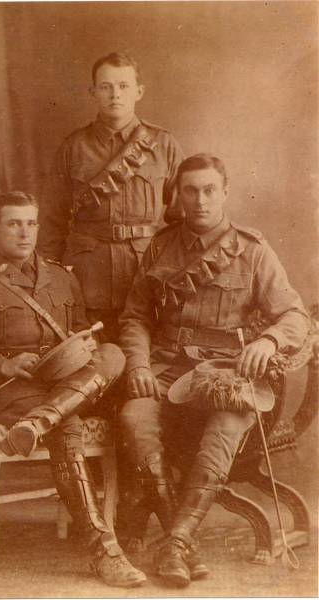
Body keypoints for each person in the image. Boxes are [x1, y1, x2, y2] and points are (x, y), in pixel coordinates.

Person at [118, 154, 309, 587]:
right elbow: (135, 317)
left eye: (209, 190)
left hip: (226, 373)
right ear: (178, 195)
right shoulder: (161, 246)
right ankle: (178, 539)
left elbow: (295, 316)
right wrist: (140, 363)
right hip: (166, 367)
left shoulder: (254, 250)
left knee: (225, 425)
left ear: (225, 192)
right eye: (190, 190)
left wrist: (268, 340)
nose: (200, 200)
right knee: (134, 417)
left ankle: (176, 542)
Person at [0, 191, 146, 588]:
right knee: (68, 424)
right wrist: (3, 364)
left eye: (30, 223)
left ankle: (43, 419)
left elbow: (80, 333)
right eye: (13, 223)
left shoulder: (62, 277)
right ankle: (102, 549)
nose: (24, 232)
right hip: (9, 390)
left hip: (63, 384)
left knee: (113, 352)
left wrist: (83, 349)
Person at [38, 51, 184, 342]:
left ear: (139, 92)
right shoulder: (73, 147)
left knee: (144, 363)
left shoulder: (164, 145)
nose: (115, 94)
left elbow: (182, 219)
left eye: (123, 86)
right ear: (93, 92)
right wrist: (51, 285)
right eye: (105, 86)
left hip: (144, 273)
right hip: (86, 277)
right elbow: (51, 221)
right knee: (92, 364)